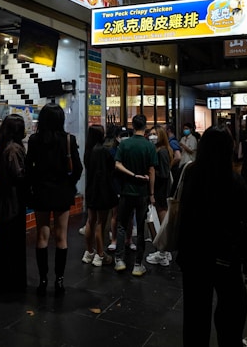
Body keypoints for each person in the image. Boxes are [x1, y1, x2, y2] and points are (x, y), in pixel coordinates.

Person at [177, 125, 247, 346]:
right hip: (224, 256)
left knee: (195, 311)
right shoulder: (233, 180)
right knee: (232, 306)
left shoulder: (189, 173)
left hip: (193, 255)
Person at [26, 103, 83, 296]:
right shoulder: (68, 139)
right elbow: (78, 168)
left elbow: (28, 168)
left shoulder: (34, 140)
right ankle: (59, 281)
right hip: (62, 192)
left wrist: (35, 182)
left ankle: (43, 280)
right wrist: (68, 183)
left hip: (41, 192)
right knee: (61, 236)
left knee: (42, 236)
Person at [0, 114, 29, 294]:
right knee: (13, 241)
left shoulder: (1, 146)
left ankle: (1, 279)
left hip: (2, 199)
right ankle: (12, 281)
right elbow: (19, 175)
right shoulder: (13, 149)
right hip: (12, 200)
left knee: (3, 241)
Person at [113, 114, 158, 276]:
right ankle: (138, 264)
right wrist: (152, 193)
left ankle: (119, 260)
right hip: (142, 193)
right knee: (140, 228)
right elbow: (152, 171)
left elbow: (117, 164)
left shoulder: (125, 145)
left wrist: (132, 175)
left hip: (126, 191)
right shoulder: (149, 146)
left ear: (133, 126)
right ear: (145, 127)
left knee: (121, 226)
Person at [81, 124, 117, 267]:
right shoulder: (103, 151)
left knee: (91, 221)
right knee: (101, 224)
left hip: (90, 189)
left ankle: (89, 252)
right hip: (102, 190)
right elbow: (111, 168)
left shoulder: (88, 151)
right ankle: (100, 254)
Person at [145, 125, 173, 267]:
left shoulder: (161, 152)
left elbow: (163, 173)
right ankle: (165, 251)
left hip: (160, 191)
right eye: (150, 133)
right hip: (162, 190)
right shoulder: (162, 151)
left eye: (155, 134)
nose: (152, 136)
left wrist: (152, 170)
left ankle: (162, 253)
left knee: (162, 224)